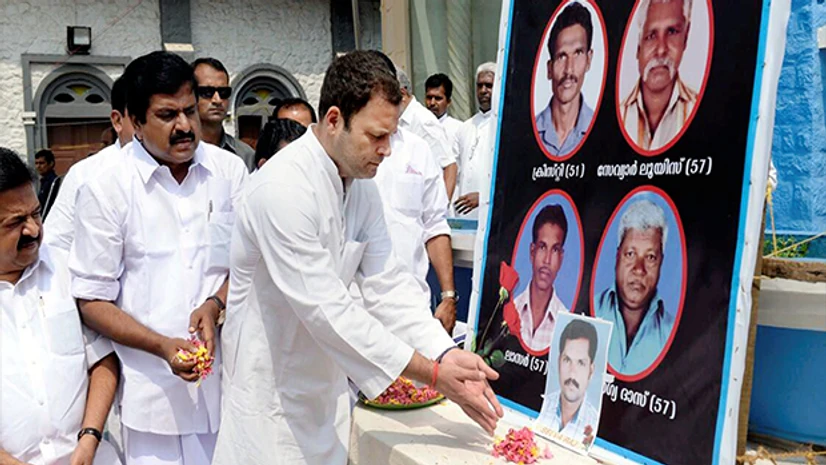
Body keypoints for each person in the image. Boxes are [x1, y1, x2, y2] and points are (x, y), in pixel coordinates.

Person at [213, 50, 503, 465]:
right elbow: (328, 311)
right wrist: (435, 376)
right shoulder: (282, 189)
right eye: (377, 136)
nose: (387, 150)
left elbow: (388, 285)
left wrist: (443, 351)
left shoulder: (361, 184)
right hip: (268, 410)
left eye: (392, 135)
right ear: (334, 120)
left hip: (326, 399)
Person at [69, 51, 248, 465]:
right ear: (133, 120)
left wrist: (215, 303)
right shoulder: (105, 188)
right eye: (167, 115)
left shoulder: (230, 172)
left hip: (229, 389)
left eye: (189, 110)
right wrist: (161, 346)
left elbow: (247, 263)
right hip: (152, 403)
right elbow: (91, 301)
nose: (185, 126)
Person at [0, 147, 121, 465]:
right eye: (16, 222)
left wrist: (89, 439)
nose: (35, 230)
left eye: (36, 214)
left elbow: (103, 363)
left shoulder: (68, 270)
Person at [45, 72, 135, 254]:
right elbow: (56, 246)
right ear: (117, 121)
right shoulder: (86, 174)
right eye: (140, 117)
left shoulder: (192, 168)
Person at [595, 199, 675, 375]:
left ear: (661, 262)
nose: (639, 269)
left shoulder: (672, 334)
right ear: (617, 257)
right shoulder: (590, 310)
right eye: (630, 254)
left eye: (650, 257)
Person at [619, 0, 697, 151]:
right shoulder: (618, 117)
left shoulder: (699, 111)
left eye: (672, 32)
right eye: (651, 36)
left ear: (685, 38)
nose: (661, 49)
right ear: (638, 45)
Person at [535, 2, 595, 158]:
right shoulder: (529, 133)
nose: (569, 70)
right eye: (562, 56)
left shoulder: (600, 131)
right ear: (549, 68)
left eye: (578, 53)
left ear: (589, 60)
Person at [512, 205, 570, 352]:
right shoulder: (511, 308)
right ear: (532, 252)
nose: (547, 260)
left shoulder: (566, 325)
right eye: (542, 247)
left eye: (555, 249)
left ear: (561, 258)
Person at [395, 66, 458, 200]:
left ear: (401, 93)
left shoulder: (423, 121)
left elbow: (450, 167)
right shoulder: (400, 120)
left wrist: (441, 211)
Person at [536, 318, 599, 446]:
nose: (572, 373)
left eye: (581, 363)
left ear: (591, 371)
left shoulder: (595, 421)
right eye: (567, 360)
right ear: (559, 361)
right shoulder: (541, 405)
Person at [192, 57, 257, 171]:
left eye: (223, 93)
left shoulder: (246, 156)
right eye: (207, 92)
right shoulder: (178, 153)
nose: (217, 100)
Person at [453, 62, 497, 217]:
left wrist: (483, 197)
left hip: (492, 213)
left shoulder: (503, 126)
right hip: (464, 215)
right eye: (480, 86)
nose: (483, 91)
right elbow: (455, 173)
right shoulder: (465, 127)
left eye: (489, 86)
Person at [425, 73, 463, 144]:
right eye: (429, 97)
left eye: (438, 98)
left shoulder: (459, 129)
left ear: (448, 102)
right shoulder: (418, 126)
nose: (432, 103)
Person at [34, 149, 61, 220]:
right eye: (36, 163)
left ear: (51, 163)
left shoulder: (54, 182)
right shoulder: (43, 181)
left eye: (41, 163)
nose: (38, 166)